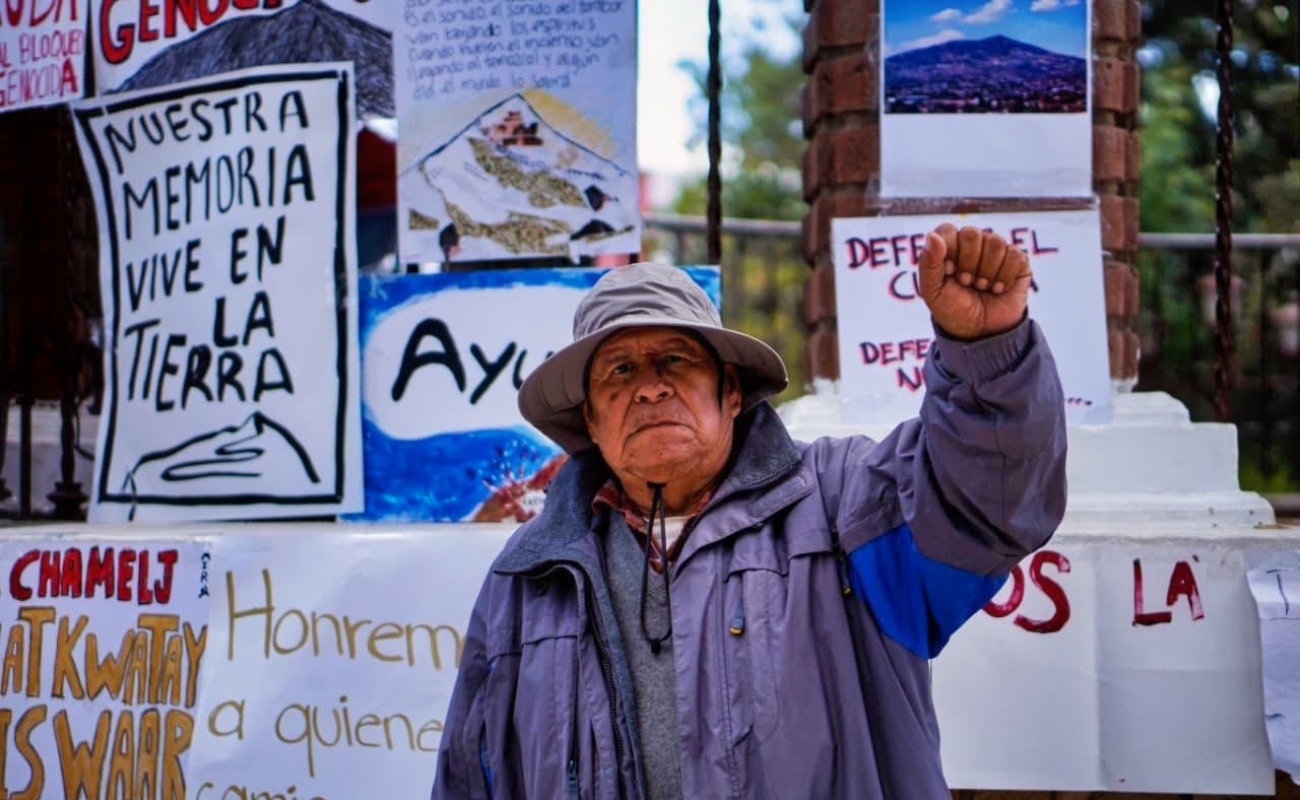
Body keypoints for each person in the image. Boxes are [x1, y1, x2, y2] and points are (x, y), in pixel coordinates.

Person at [431, 224, 1068, 799]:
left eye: (676, 359)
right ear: (590, 421)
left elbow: (987, 503)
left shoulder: (846, 501)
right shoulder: (525, 578)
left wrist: (986, 352)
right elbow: (469, 774)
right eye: (619, 370)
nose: (651, 385)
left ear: (730, 392)